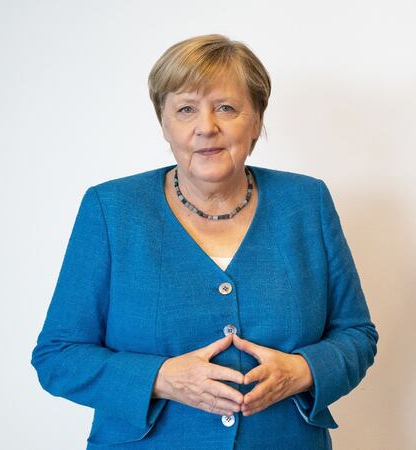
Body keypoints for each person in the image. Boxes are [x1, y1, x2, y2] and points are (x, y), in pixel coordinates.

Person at [32, 34, 378, 449]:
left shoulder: (306, 202)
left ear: (256, 121)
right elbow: (58, 356)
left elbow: (356, 334)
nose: (206, 127)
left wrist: (303, 370)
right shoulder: (111, 210)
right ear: (163, 122)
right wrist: (161, 379)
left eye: (227, 108)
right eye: (185, 109)